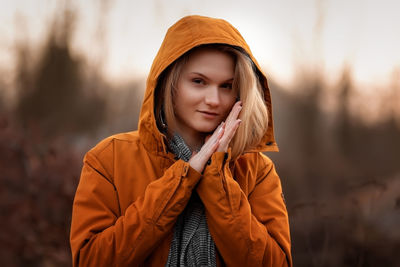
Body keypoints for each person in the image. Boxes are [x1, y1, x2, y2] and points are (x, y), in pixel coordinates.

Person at [70, 15, 292, 266]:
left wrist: (216, 179)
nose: (214, 100)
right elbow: (91, 261)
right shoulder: (108, 159)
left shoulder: (257, 170)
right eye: (199, 82)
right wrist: (183, 179)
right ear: (170, 83)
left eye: (227, 86)